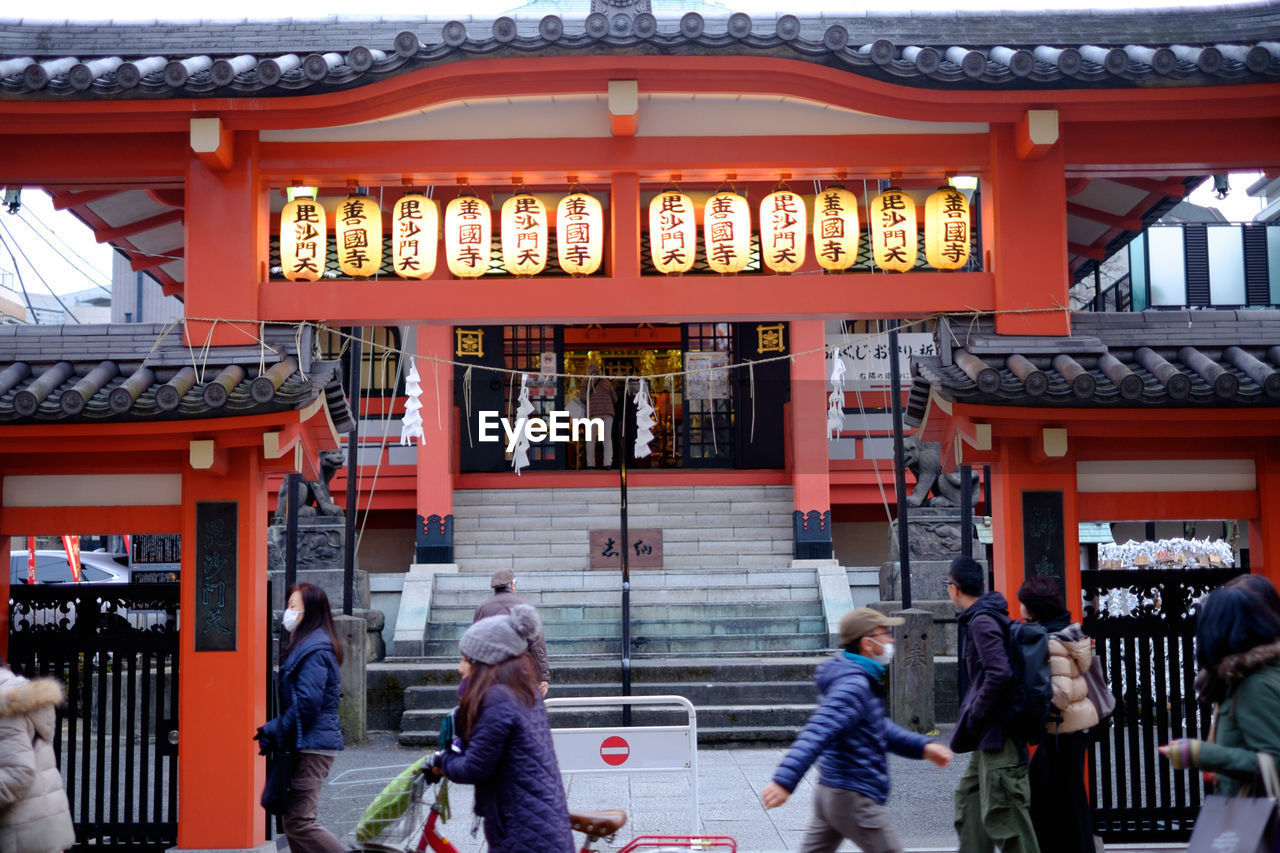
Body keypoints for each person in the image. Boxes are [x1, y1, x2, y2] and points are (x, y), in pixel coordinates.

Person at [762, 608, 952, 853]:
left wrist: (923, 747)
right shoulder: (854, 685)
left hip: (831, 790)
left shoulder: (857, 677)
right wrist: (784, 781)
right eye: (884, 634)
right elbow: (818, 730)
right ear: (867, 644)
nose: (891, 640)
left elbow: (879, 728)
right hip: (853, 795)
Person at [432, 604, 574, 853]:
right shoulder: (522, 691)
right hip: (536, 822)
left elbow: (474, 767)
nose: (460, 668)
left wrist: (441, 761)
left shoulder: (498, 698)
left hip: (523, 833)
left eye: (465, 659)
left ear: (484, 662)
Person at [946, 555, 1040, 853]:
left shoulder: (982, 622)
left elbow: (1000, 674)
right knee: (969, 800)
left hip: (999, 734)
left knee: (1006, 818)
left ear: (954, 588)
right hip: (991, 736)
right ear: (983, 584)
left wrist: (975, 713)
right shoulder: (987, 616)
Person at [1160, 584, 1280, 796]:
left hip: (1259, 817)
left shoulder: (1254, 684)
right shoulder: (1243, 675)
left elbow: (1275, 761)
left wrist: (1201, 753)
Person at [256, 583, 346, 853]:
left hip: (311, 746)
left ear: (311, 613)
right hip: (306, 741)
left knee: (299, 822)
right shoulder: (310, 645)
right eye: (289, 606)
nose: (288, 612)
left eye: (294, 607)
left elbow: (308, 702)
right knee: (293, 821)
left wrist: (275, 728)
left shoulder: (314, 649)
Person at [1017, 576, 1098, 853]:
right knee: (1068, 796)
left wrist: (1035, 712)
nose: (1020, 609)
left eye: (1023, 604)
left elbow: (1060, 690)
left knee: (1052, 795)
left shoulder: (1050, 639)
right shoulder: (1068, 630)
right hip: (1074, 727)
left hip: (1061, 730)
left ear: (1034, 608)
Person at [0, 654, 75, 853]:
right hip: (39, 827)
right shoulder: (16, 694)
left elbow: (18, 772)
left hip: (22, 834)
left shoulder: (4, 705)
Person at [473, 568, 550, 695]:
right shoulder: (526, 607)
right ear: (512, 585)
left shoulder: (482, 609)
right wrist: (543, 677)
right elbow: (537, 645)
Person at [578, 363, 617, 468]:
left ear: (588, 371)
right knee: (607, 439)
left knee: (591, 440)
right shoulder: (606, 382)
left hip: (593, 412)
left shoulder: (586, 382)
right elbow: (615, 398)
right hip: (608, 412)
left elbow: (582, 398)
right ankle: (607, 463)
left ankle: (591, 464)